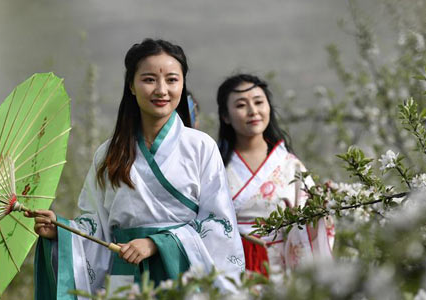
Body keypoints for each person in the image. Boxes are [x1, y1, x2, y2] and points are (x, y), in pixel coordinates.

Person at [27, 39, 245, 298]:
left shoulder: (201, 147)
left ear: (183, 84)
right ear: (131, 85)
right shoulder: (109, 153)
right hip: (125, 273)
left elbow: (218, 224)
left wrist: (157, 244)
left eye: (172, 80)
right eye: (149, 79)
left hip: (183, 274)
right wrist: (62, 232)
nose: (162, 90)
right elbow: (97, 225)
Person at [216, 73, 334, 276]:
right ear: (225, 116)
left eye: (259, 102)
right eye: (241, 105)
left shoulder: (290, 166)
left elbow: (308, 231)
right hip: (230, 270)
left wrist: (320, 211)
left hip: (279, 269)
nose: (253, 111)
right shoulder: (213, 165)